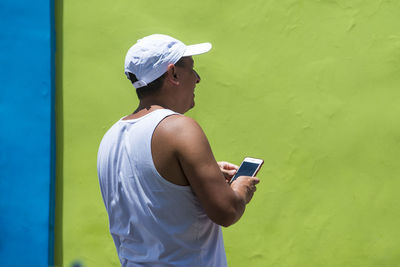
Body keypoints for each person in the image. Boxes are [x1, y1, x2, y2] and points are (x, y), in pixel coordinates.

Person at [97, 34, 260, 267]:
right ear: (173, 73)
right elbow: (226, 211)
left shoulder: (111, 136)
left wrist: (201, 174)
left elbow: (150, 190)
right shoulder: (179, 128)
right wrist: (241, 186)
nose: (198, 78)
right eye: (192, 68)